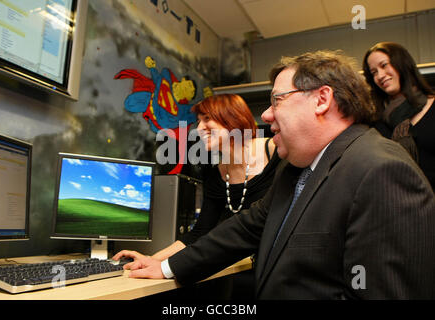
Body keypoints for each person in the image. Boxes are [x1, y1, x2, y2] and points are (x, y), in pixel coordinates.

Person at [121, 50, 435, 299]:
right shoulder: (296, 169)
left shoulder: (382, 170)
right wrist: (164, 266)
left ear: (321, 100)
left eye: (277, 100)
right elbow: (244, 230)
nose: (267, 114)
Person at [113, 93, 280, 298]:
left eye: (207, 119)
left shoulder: (276, 151)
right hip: (237, 268)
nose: (199, 128)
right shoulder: (213, 171)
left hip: (275, 268)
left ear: (233, 118)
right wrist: (152, 259)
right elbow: (200, 232)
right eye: (198, 121)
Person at [363, 42, 435, 189]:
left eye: (384, 65)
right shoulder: (377, 122)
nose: (380, 76)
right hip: (408, 204)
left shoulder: (432, 104)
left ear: (402, 63)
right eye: (374, 72)